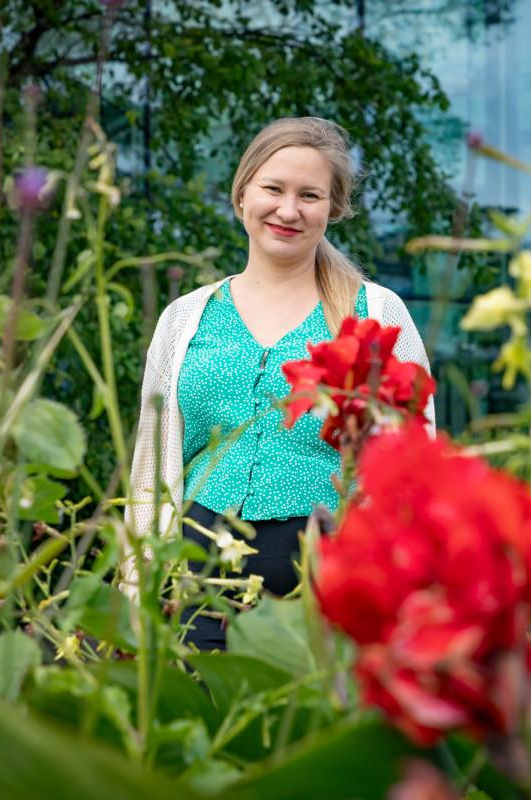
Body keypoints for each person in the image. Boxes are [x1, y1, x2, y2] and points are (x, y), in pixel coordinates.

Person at [126, 116, 434, 651]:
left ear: (332, 208)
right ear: (242, 194)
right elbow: (152, 467)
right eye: (273, 189)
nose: (288, 210)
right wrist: (138, 585)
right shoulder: (185, 318)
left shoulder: (377, 313)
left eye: (309, 195)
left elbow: (417, 460)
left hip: (331, 591)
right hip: (198, 587)